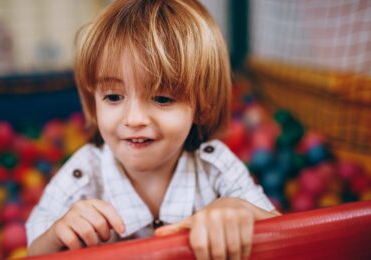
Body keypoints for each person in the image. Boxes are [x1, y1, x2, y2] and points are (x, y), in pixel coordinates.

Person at [26, 0, 280, 259]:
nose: (134, 119)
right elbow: (34, 250)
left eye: (162, 98)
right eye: (113, 97)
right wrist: (57, 234)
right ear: (94, 102)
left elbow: (283, 238)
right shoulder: (83, 174)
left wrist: (239, 211)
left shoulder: (216, 166)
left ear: (202, 107)